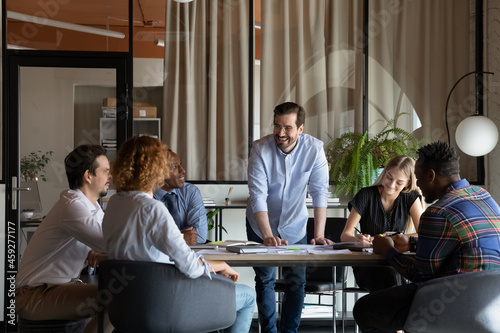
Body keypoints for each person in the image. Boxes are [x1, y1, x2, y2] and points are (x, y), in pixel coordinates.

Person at [102, 135, 255, 333]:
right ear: (156, 168)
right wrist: (219, 265)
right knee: (248, 296)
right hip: (167, 303)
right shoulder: (151, 208)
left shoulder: (114, 204)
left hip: (127, 307)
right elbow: (190, 267)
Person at [353, 141, 500, 332]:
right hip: (491, 299)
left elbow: (418, 275)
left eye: (418, 177)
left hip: (451, 299)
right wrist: (413, 243)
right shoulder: (484, 196)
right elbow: (458, 241)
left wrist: (388, 251)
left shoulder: (437, 211)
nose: (417, 185)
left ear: (431, 175)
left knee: (366, 309)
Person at [246, 101, 332, 333]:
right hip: (260, 225)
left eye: (287, 128)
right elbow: (257, 195)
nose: (280, 133)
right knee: (265, 281)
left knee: (296, 282)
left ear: (300, 129)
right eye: (277, 126)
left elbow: (319, 192)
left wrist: (319, 235)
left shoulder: (314, 149)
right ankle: (269, 331)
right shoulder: (259, 149)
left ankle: (289, 332)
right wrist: (267, 235)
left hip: (295, 226)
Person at [16, 144, 111, 333]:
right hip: (34, 294)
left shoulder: (93, 208)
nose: (110, 176)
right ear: (88, 175)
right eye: (106, 171)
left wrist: (99, 251)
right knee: (119, 298)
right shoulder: (73, 206)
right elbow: (111, 242)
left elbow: (108, 242)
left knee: (121, 294)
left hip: (54, 288)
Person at [340, 155, 424, 292]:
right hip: (368, 264)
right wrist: (357, 239)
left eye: (399, 182)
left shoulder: (411, 198)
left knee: (396, 275)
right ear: (384, 173)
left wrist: (393, 239)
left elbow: (424, 233)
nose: (391, 185)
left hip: (396, 261)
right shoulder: (365, 195)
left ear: (408, 184)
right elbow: (345, 235)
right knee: (392, 278)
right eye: (389, 177)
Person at [153, 149, 207, 245]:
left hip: (188, 254)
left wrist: (170, 239)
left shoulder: (190, 191)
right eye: (174, 167)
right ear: (158, 172)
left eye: (180, 165)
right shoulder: (145, 199)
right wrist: (181, 238)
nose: (183, 170)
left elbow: (200, 236)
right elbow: (148, 240)